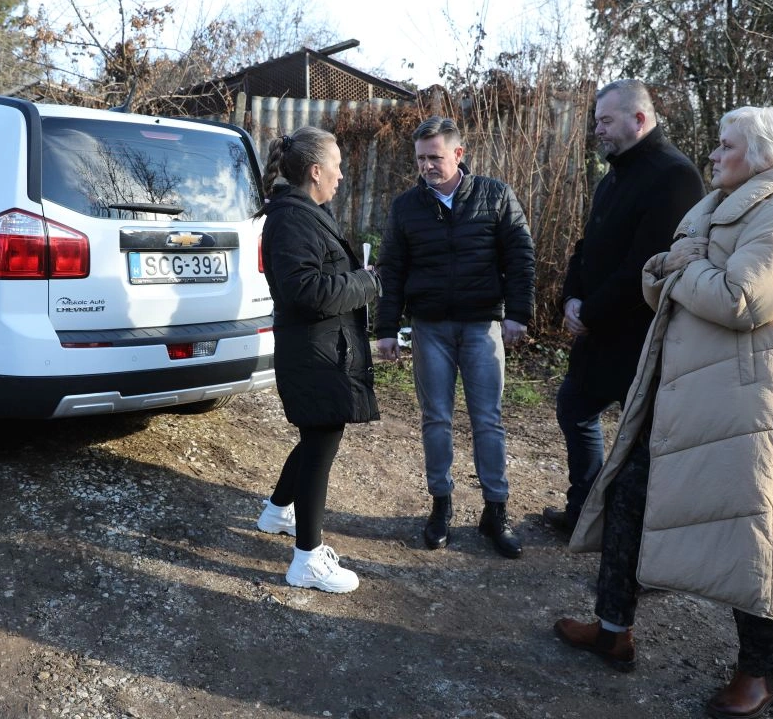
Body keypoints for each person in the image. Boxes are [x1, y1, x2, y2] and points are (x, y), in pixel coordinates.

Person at [554, 106, 773, 719]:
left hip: (757, 408)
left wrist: (683, 268)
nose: (713, 153)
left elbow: (742, 299)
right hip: (688, 391)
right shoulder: (716, 207)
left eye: (726, 145)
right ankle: (613, 629)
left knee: (753, 527)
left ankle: (762, 670)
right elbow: (661, 279)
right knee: (627, 493)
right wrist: (675, 269)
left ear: (763, 156)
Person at [542, 79, 704, 536]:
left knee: (644, 441)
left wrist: (588, 313)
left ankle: (639, 536)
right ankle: (585, 513)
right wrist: (571, 298)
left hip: (642, 338)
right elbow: (586, 246)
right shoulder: (613, 174)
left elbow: (646, 267)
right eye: (597, 121)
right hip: (598, 331)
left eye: (606, 121)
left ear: (639, 119)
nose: (598, 129)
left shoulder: (675, 176)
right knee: (574, 405)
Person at [375, 117, 535, 558]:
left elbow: (520, 255)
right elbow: (392, 268)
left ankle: (495, 511)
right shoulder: (406, 207)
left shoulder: (495, 196)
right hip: (430, 329)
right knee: (436, 419)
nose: (427, 166)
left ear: (459, 154)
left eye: (435, 157)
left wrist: (518, 313)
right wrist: (386, 329)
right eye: (420, 158)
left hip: (482, 326)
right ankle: (440, 506)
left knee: (488, 420)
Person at [253, 125, 382, 594]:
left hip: (322, 348)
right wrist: (368, 282)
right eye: (337, 166)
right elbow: (305, 290)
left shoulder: (305, 213)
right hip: (313, 354)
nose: (341, 175)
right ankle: (307, 559)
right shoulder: (292, 219)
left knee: (315, 438)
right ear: (314, 171)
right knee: (319, 447)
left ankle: (276, 511)